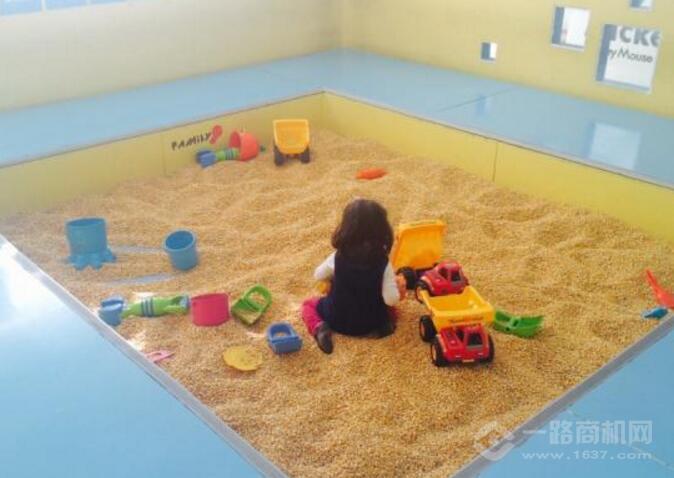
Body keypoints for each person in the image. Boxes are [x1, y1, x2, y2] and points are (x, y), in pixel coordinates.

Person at [301, 198, 406, 354]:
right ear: (382, 230)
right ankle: (385, 325)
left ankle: (319, 328)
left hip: (336, 319)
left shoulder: (337, 257)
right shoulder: (384, 263)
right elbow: (390, 299)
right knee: (390, 308)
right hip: (371, 321)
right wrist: (398, 288)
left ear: (346, 229)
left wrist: (333, 278)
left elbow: (318, 275)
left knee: (308, 304)